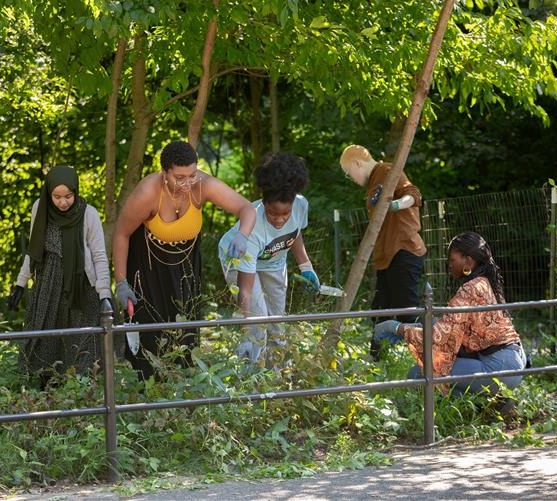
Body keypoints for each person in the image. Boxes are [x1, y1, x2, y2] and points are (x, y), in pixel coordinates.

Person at [112, 140, 256, 380]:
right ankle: (150, 398)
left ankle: (182, 396)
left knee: (185, 336)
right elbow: (121, 234)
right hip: (149, 270)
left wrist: (243, 235)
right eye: (179, 177)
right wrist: (121, 282)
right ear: (164, 172)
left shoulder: (203, 184)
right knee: (152, 341)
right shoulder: (147, 192)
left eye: (191, 175)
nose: (187, 183)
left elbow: (247, 208)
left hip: (186, 269)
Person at [374, 231, 526, 397]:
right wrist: (414, 327)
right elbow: (453, 329)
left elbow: (439, 336)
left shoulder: (471, 288)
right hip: (514, 362)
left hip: (498, 368)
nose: (449, 265)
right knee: (441, 371)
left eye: (453, 260)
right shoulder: (485, 283)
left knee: (418, 374)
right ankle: (491, 405)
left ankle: (487, 405)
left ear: (468, 260)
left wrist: (396, 328)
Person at [8, 165, 113, 386]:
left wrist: (105, 294)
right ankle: (48, 399)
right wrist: (20, 283)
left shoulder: (88, 214)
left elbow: (99, 256)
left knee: (82, 344)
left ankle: (81, 397)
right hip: (47, 284)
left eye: (68, 196)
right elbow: (34, 249)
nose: (63, 202)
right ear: (49, 194)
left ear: (76, 191)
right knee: (47, 343)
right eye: (57, 197)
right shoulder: (41, 208)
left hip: (80, 288)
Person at [218, 153, 320, 369]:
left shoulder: (301, 205)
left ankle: (276, 372)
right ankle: (250, 374)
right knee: (258, 320)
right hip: (239, 257)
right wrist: (248, 321)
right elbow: (245, 290)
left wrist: (306, 266)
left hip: (273, 261)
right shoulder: (252, 229)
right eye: (273, 213)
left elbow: (294, 234)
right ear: (263, 203)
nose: (280, 219)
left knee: (277, 319)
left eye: (286, 213)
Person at [339, 144, 427, 360]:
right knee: (380, 309)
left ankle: (425, 362)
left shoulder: (387, 171)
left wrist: (396, 205)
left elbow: (413, 194)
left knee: (407, 310)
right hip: (385, 257)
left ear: (357, 163)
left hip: (403, 250)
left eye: (349, 173)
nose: (351, 179)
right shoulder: (372, 184)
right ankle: (376, 357)